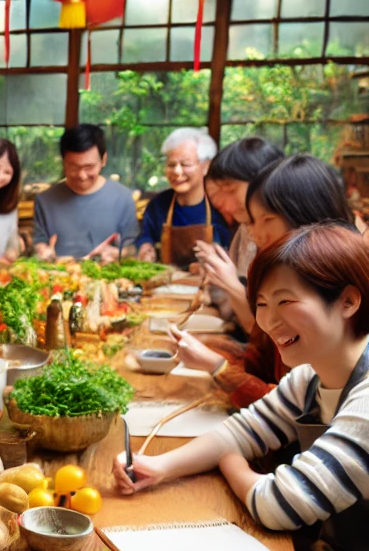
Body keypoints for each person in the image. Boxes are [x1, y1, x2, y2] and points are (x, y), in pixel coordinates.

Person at [114, 223, 369, 551]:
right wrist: (160, 466)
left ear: (347, 300)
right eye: (261, 304)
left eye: (284, 302)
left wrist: (233, 461)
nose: (268, 320)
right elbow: (242, 428)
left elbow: (279, 502)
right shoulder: (314, 374)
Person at [172, 155, 354, 408]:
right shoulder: (280, 270)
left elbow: (297, 409)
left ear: (309, 216)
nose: (255, 234)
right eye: (251, 221)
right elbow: (262, 359)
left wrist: (217, 366)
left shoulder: (330, 292)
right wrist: (215, 349)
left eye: (267, 220)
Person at [195, 137, 285, 330]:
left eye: (230, 189)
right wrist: (219, 278)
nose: (224, 205)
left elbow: (272, 335)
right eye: (216, 196)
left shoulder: (296, 239)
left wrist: (231, 284)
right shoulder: (245, 230)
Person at [32, 124, 140, 262]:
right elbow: (38, 242)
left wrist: (120, 253)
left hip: (109, 280)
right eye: (73, 167)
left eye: (89, 167)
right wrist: (41, 250)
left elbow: (132, 248)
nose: (82, 175)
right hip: (58, 278)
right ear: (63, 162)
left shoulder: (123, 198)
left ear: (104, 160)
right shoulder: (45, 200)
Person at [136, 127, 231, 266]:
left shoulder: (220, 206)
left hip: (210, 284)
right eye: (171, 164)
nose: (177, 171)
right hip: (164, 284)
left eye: (185, 164)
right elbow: (145, 237)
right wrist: (145, 247)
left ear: (206, 167)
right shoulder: (158, 205)